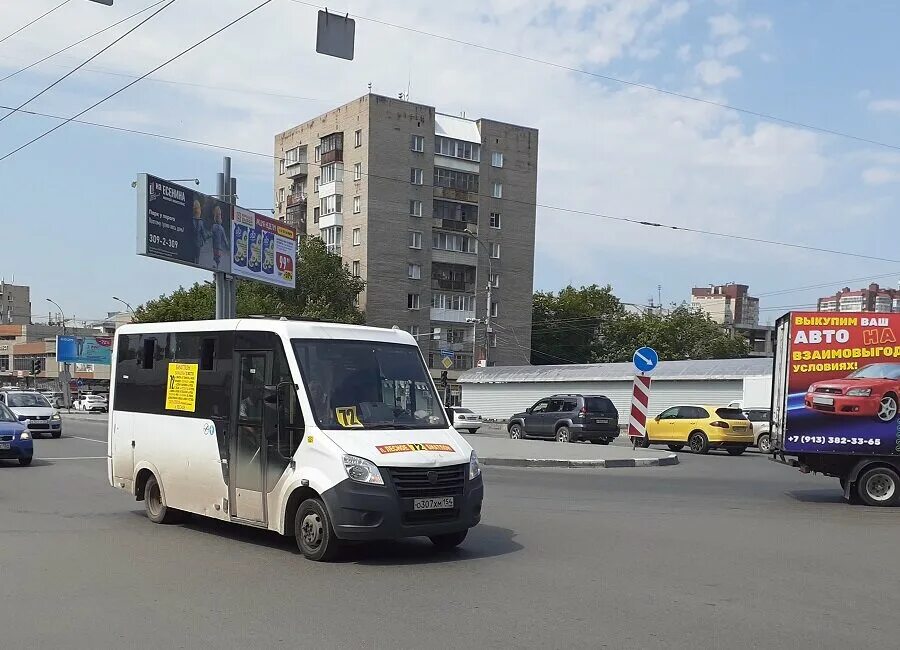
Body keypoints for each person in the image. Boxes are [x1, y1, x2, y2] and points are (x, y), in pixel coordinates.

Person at [192, 199, 208, 264]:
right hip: (192, 241)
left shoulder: (201, 222)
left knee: (197, 254)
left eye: (197, 209)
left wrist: (205, 239)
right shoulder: (191, 220)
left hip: (198, 242)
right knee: (193, 253)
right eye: (195, 208)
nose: (196, 210)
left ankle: (197, 262)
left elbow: (202, 232)